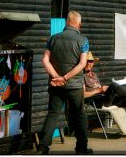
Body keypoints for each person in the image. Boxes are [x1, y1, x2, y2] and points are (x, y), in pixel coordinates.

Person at [38, 11, 93, 155]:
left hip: (55, 85)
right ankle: (81, 148)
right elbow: (82, 64)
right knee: (79, 115)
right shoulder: (83, 40)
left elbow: (45, 60)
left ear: (67, 22)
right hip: (74, 86)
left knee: (53, 114)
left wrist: (57, 77)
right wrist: (65, 78)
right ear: (79, 24)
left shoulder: (53, 38)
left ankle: (43, 148)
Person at [83, 52, 126, 140]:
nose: (89, 63)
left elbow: (99, 88)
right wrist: (99, 90)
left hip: (105, 97)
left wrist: (105, 89)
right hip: (97, 101)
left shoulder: (94, 75)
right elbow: (83, 95)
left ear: (93, 63)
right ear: (83, 62)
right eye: (87, 61)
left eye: (91, 61)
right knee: (114, 85)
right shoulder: (81, 76)